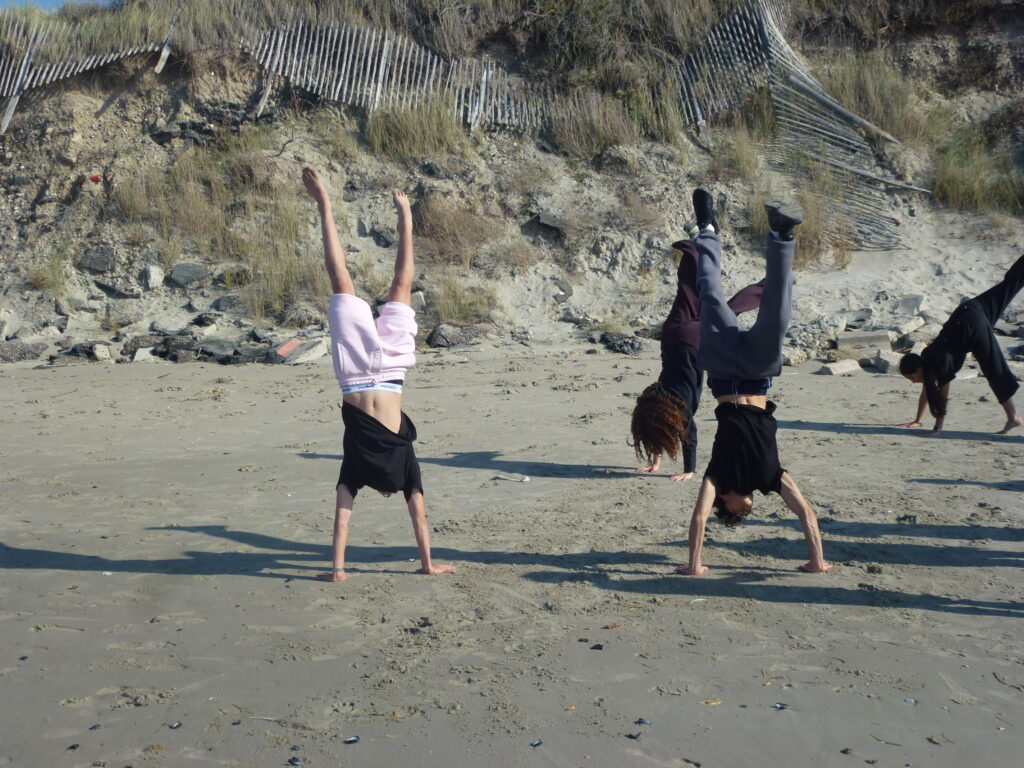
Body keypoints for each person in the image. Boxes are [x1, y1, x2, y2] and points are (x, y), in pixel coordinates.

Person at [301, 166, 455, 582]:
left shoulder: (406, 465)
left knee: (400, 283)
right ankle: (326, 203)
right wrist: (337, 570)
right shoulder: (355, 467)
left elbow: (419, 520)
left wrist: (428, 564)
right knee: (341, 282)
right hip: (355, 374)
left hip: (389, 372)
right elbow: (342, 521)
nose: (388, 495)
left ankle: (403, 220)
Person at [676, 188, 831, 576]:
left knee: (710, 293)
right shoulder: (771, 477)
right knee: (778, 312)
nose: (747, 511)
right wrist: (817, 561)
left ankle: (707, 229)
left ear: (724, 504)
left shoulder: (717, 477)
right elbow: (806, 513)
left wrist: (694, 566)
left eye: (738, 515)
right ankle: (781, 234)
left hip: (722, 367)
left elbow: (698, 519)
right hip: (758, 374)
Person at [631, 234, 763, 481]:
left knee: (730, 309)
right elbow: (655, 426)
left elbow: (688, 436)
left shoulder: (679, 409)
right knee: (686, 291)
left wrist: (689, 470)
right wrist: (655, 463)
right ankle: (692, 251)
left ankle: (765, 287)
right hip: (671, 337)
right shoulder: (653, 399)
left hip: (692, 343)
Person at [897, 254, 1024, 436]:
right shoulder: (927, 361)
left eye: (912, 377)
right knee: (1009, 285)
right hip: (970, 309)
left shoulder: (939, 362)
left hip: (971, 325)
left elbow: (943, 396)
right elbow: (927, 391)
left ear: (918, 370)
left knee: (993, 367)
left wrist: (938, 428)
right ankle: (1013, 417)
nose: (912, 381)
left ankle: (1014, 417)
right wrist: (918, 420)